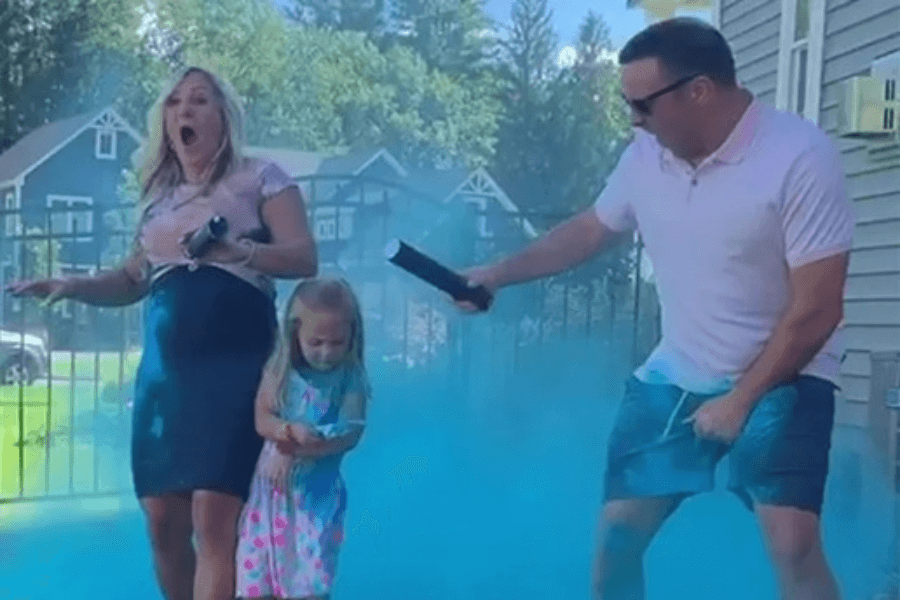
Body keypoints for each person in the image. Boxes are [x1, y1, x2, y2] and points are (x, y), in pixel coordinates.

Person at [458, 17, 853, 600]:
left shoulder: (800, 156)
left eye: (642, 106)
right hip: (677, 371)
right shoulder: (646, 156)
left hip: (784, 373)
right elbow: (591, 231)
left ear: (698, 91)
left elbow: (818, 309)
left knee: (792, 541)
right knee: (618, 534)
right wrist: (499, 274)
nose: (634, 121)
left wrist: (741, 400)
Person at [6, 66, 317, 600]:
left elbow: (304, 257)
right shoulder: (159, 199)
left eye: (199, 100)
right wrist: (70, 283)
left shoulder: (262, 178)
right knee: (163, 525)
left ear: (224, 116)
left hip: (235, 365)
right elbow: (133, 278)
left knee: (215, 516)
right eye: (174, 103)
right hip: (165, 378)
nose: (184, 112)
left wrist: (236, 250)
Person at [235, 277, 370, 600]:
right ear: (295, 334)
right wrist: (287, 432)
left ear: (353, 335)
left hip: (315, 497)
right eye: (316, 342)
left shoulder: (350, 378)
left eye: (337, 342)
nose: (326, 352)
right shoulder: (280, 371)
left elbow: (352, 430)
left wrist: (302, 449)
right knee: (259, 578)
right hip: (271, 498)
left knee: (310, 581)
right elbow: (262, 417)